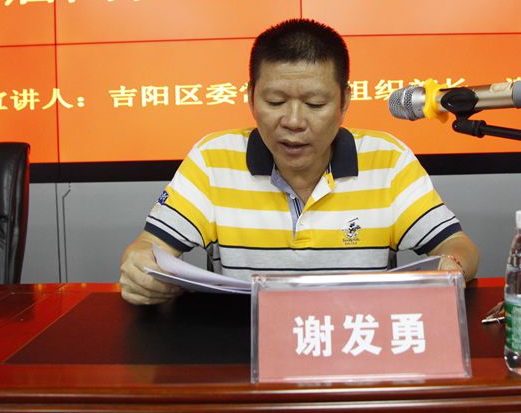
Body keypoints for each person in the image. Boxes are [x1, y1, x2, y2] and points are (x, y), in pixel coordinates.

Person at [119, 18, 479, 305]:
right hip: (245, 347)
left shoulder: (387, 160)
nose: (293, 121)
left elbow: (458, 246)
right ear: (251, 97)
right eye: (275, 102)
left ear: (344, 102)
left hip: (359, 342)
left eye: (315, 104)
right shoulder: (213, 159)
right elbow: (148, 247)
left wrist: (452, 267)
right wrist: (139, 266)